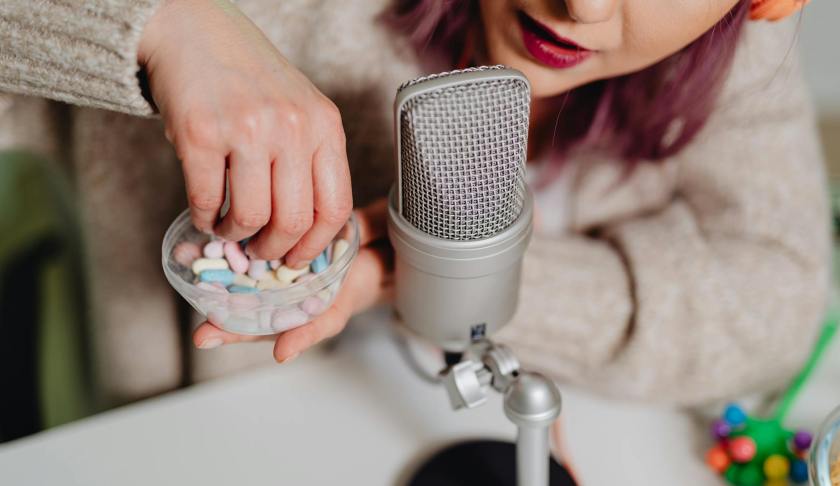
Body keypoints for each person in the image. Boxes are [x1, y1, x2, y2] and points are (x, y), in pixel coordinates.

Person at [0, 0, 827, 406]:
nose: (580, 4)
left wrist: (436, 274)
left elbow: (780, 300)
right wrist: (161, 24)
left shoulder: (736, 55)